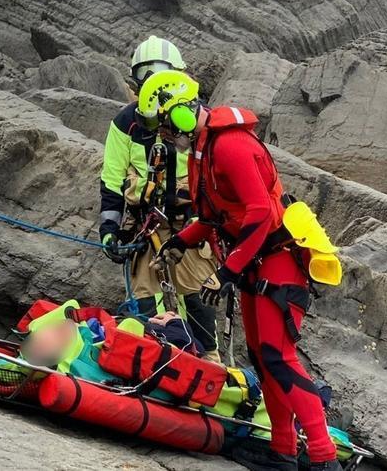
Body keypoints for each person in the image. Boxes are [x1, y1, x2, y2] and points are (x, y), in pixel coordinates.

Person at [141, 70, 341, 471]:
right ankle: (283, 451)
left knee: (278, 358)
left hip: (277, 262)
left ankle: (322, 456)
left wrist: (228, 270)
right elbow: (215, 216)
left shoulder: (230, 146)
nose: (163, 134)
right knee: (262, 357)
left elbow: (260, 215)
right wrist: (180, 243)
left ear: (181, 114)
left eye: (165, 123)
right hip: (255, 262)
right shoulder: (203, 149)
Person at [97, 36, 221, 360]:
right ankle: (151, 364)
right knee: (145, 306)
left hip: (190, 229)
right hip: (147, 232)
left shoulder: (196, 121)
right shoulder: (126, 124)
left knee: (195, 297)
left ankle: (210, 365)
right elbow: (112, 180)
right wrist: (110, 229)